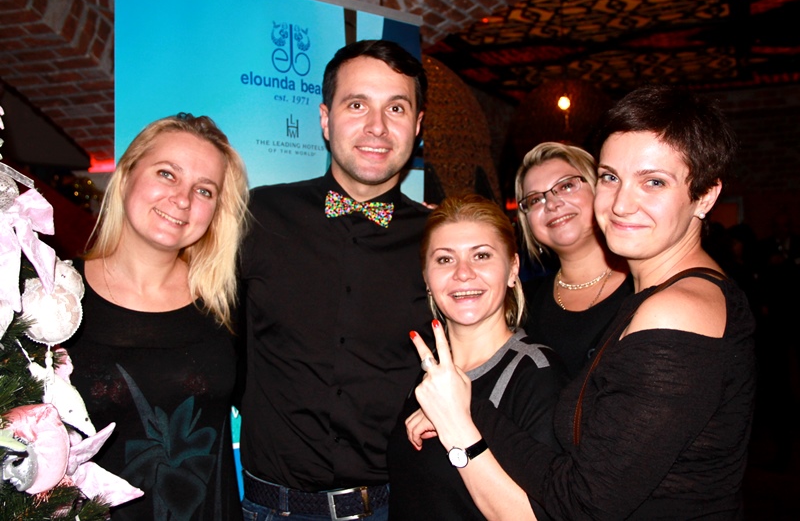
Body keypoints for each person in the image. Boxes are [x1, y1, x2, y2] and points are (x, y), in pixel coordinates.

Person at [408, 85, 757, 520]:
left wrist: (465, 412)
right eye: (611, 177)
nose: (622, 203)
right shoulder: (658, 297)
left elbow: (582, 504)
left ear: (705, 195)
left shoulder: (676, 310)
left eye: (653, 182)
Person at [238, 39, 432, 520]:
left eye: (396, 108)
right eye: (357, 104)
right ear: (325, 120)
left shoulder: (442, 242)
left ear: (417, 126)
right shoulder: (257, 215)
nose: (377, 126)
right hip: (272, 509)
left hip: (397, 507)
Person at [66, 113, 250, 520]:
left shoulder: (227, 306)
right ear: (126, 175)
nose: (183, 199)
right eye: (167, 174)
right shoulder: (53, 296)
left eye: (204, 190)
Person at [387, 194, 568, 520]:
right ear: (426, 277)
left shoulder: (537, 374)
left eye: (481, 255)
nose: (463, 273)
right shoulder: (430, 368)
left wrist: (456, 423)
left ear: (512, 269)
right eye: (445, 259)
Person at [516, 142, 633, 379]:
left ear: (600, 190)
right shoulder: (522, 305)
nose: (552, 204)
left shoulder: (646, 285)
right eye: (535, 200)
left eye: (567, 186)